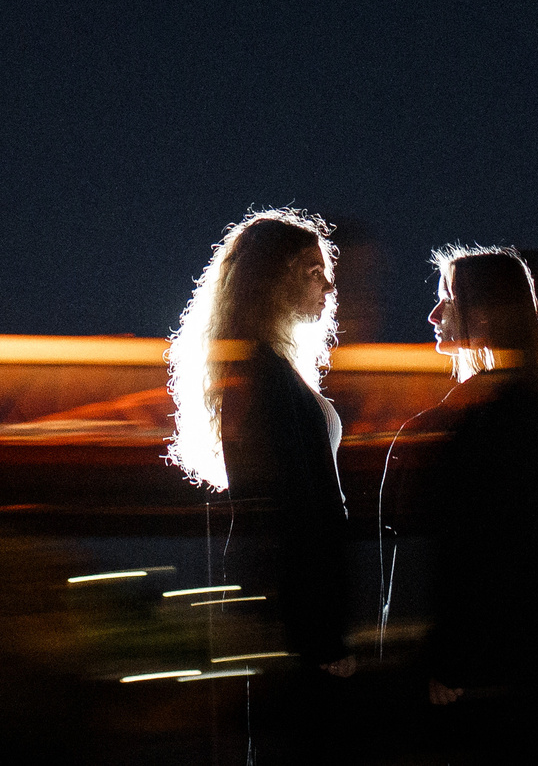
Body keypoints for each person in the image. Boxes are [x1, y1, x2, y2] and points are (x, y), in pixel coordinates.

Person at [167, 210, 356, 753]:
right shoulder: (261, 375)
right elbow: (290, 513)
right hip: (293, 629)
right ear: (272, 277)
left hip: (283, 621)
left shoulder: (264, 367)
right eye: (312, 270)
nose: (329, 284)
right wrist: (321, 635)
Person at [421, 245, 538, 752]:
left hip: (478, 680)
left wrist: (454, 658)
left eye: (448, 299)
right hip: (506, 669)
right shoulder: (522, 409)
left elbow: (481, 551)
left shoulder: (490, 420)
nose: (434, 314)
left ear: (482, 311)